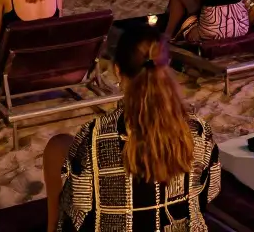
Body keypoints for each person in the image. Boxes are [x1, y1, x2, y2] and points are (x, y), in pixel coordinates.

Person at [44, 25, 220, 231]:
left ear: (117, 71)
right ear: (167, 65)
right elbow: (210, 193)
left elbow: (76, 211)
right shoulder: (198, 131)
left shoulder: (95, 136)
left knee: (57, 146)